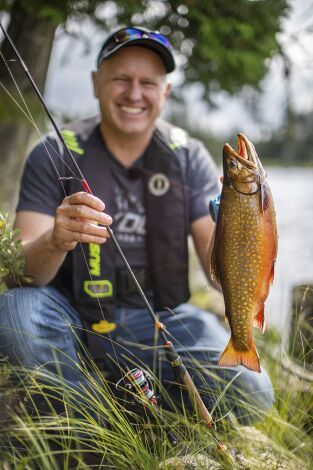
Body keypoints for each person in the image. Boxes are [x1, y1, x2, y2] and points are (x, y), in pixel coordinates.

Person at [0, 26, 274, 424]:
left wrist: (240, 220)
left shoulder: (189, 156)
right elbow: (20, 275)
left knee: (253, 391)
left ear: (164, 92)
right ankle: (94, 425)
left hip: (163, 319)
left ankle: (129, 409)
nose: (134, 93)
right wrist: (55, 240)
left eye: (149, 82)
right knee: (14, 314)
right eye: (121, 79)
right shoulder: (53, 152)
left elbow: (219, 279)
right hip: (69, 315)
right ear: (96, 83)